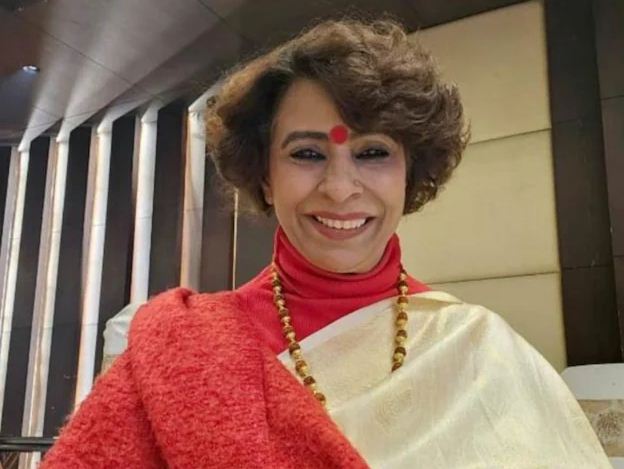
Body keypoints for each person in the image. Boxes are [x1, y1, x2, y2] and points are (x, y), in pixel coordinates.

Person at [41, 18, 610, 468]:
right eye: (307, 154)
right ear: (265, 175)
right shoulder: (180, 346)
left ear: (410, 174)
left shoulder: (480, 351)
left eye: (373, 153)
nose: (340, 188)